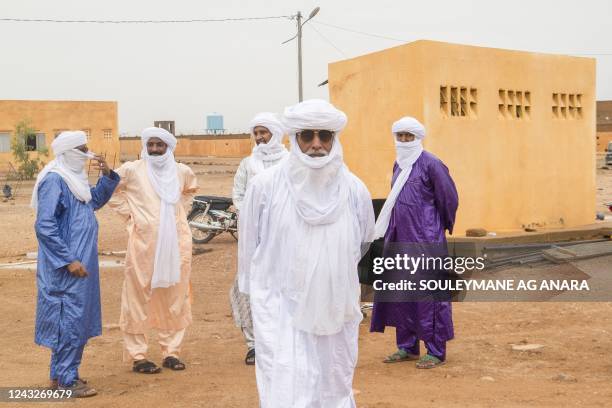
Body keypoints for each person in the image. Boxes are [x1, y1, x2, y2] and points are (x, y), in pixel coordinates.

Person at [238, 99, 375, 407]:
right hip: (280, 305)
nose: (316, 144)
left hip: (334, 305)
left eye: (324, 136)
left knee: (333, 378)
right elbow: (248, 244)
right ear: (294, 138)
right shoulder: (265, 187)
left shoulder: (354, 189)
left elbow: (363, 240)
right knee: (286, 379)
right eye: (307, 135)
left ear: (334, 139)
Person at [33, 130, 119, 397]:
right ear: (69, 152)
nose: (87, 154)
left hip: (81, 263)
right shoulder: (54, 180)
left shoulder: (74, 181)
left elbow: (92, 201)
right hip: (66, 267)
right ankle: (68, 381)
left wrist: (107, 175)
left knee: (74, 319)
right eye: (82, 150)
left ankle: (60, 375)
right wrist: (68, 259)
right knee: (69, 319)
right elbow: (44, 225)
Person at [370, 116, 458, 369]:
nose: (405, 140)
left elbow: (448, 198)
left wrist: (437, 227)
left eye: (410, 136)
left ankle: (435, 350)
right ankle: (407, 346)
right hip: (400, 238)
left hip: (426, 240)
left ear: (418, 138)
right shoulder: (399, 165)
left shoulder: (431, 164)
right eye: (401, 136)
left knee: (429, 294)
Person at [108, 127, 198, 374]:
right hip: (143, 244)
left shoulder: (182, 172)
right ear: (145, 146)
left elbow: (190, 192)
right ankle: (138, 356)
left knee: (175, 297)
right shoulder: (132, 170)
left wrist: (178, 217)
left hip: (176, 245)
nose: (156, 149)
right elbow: (110, 190)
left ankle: (171, 352)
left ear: (169, 147)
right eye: (151, 145)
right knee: (137, 297)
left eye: (160, 145)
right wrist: (132, 217)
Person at [231, 112, 288, 365]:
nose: (260, 137)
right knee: (248, 287)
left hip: (284, 237)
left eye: (263, 132)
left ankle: (281, 343)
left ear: (275, 133)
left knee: (284, 288)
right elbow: (239, 195)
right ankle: (254, 344)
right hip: (253, 238)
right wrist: (254, 219)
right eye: (256, 133)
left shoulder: (290, 161)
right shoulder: (247, 164)